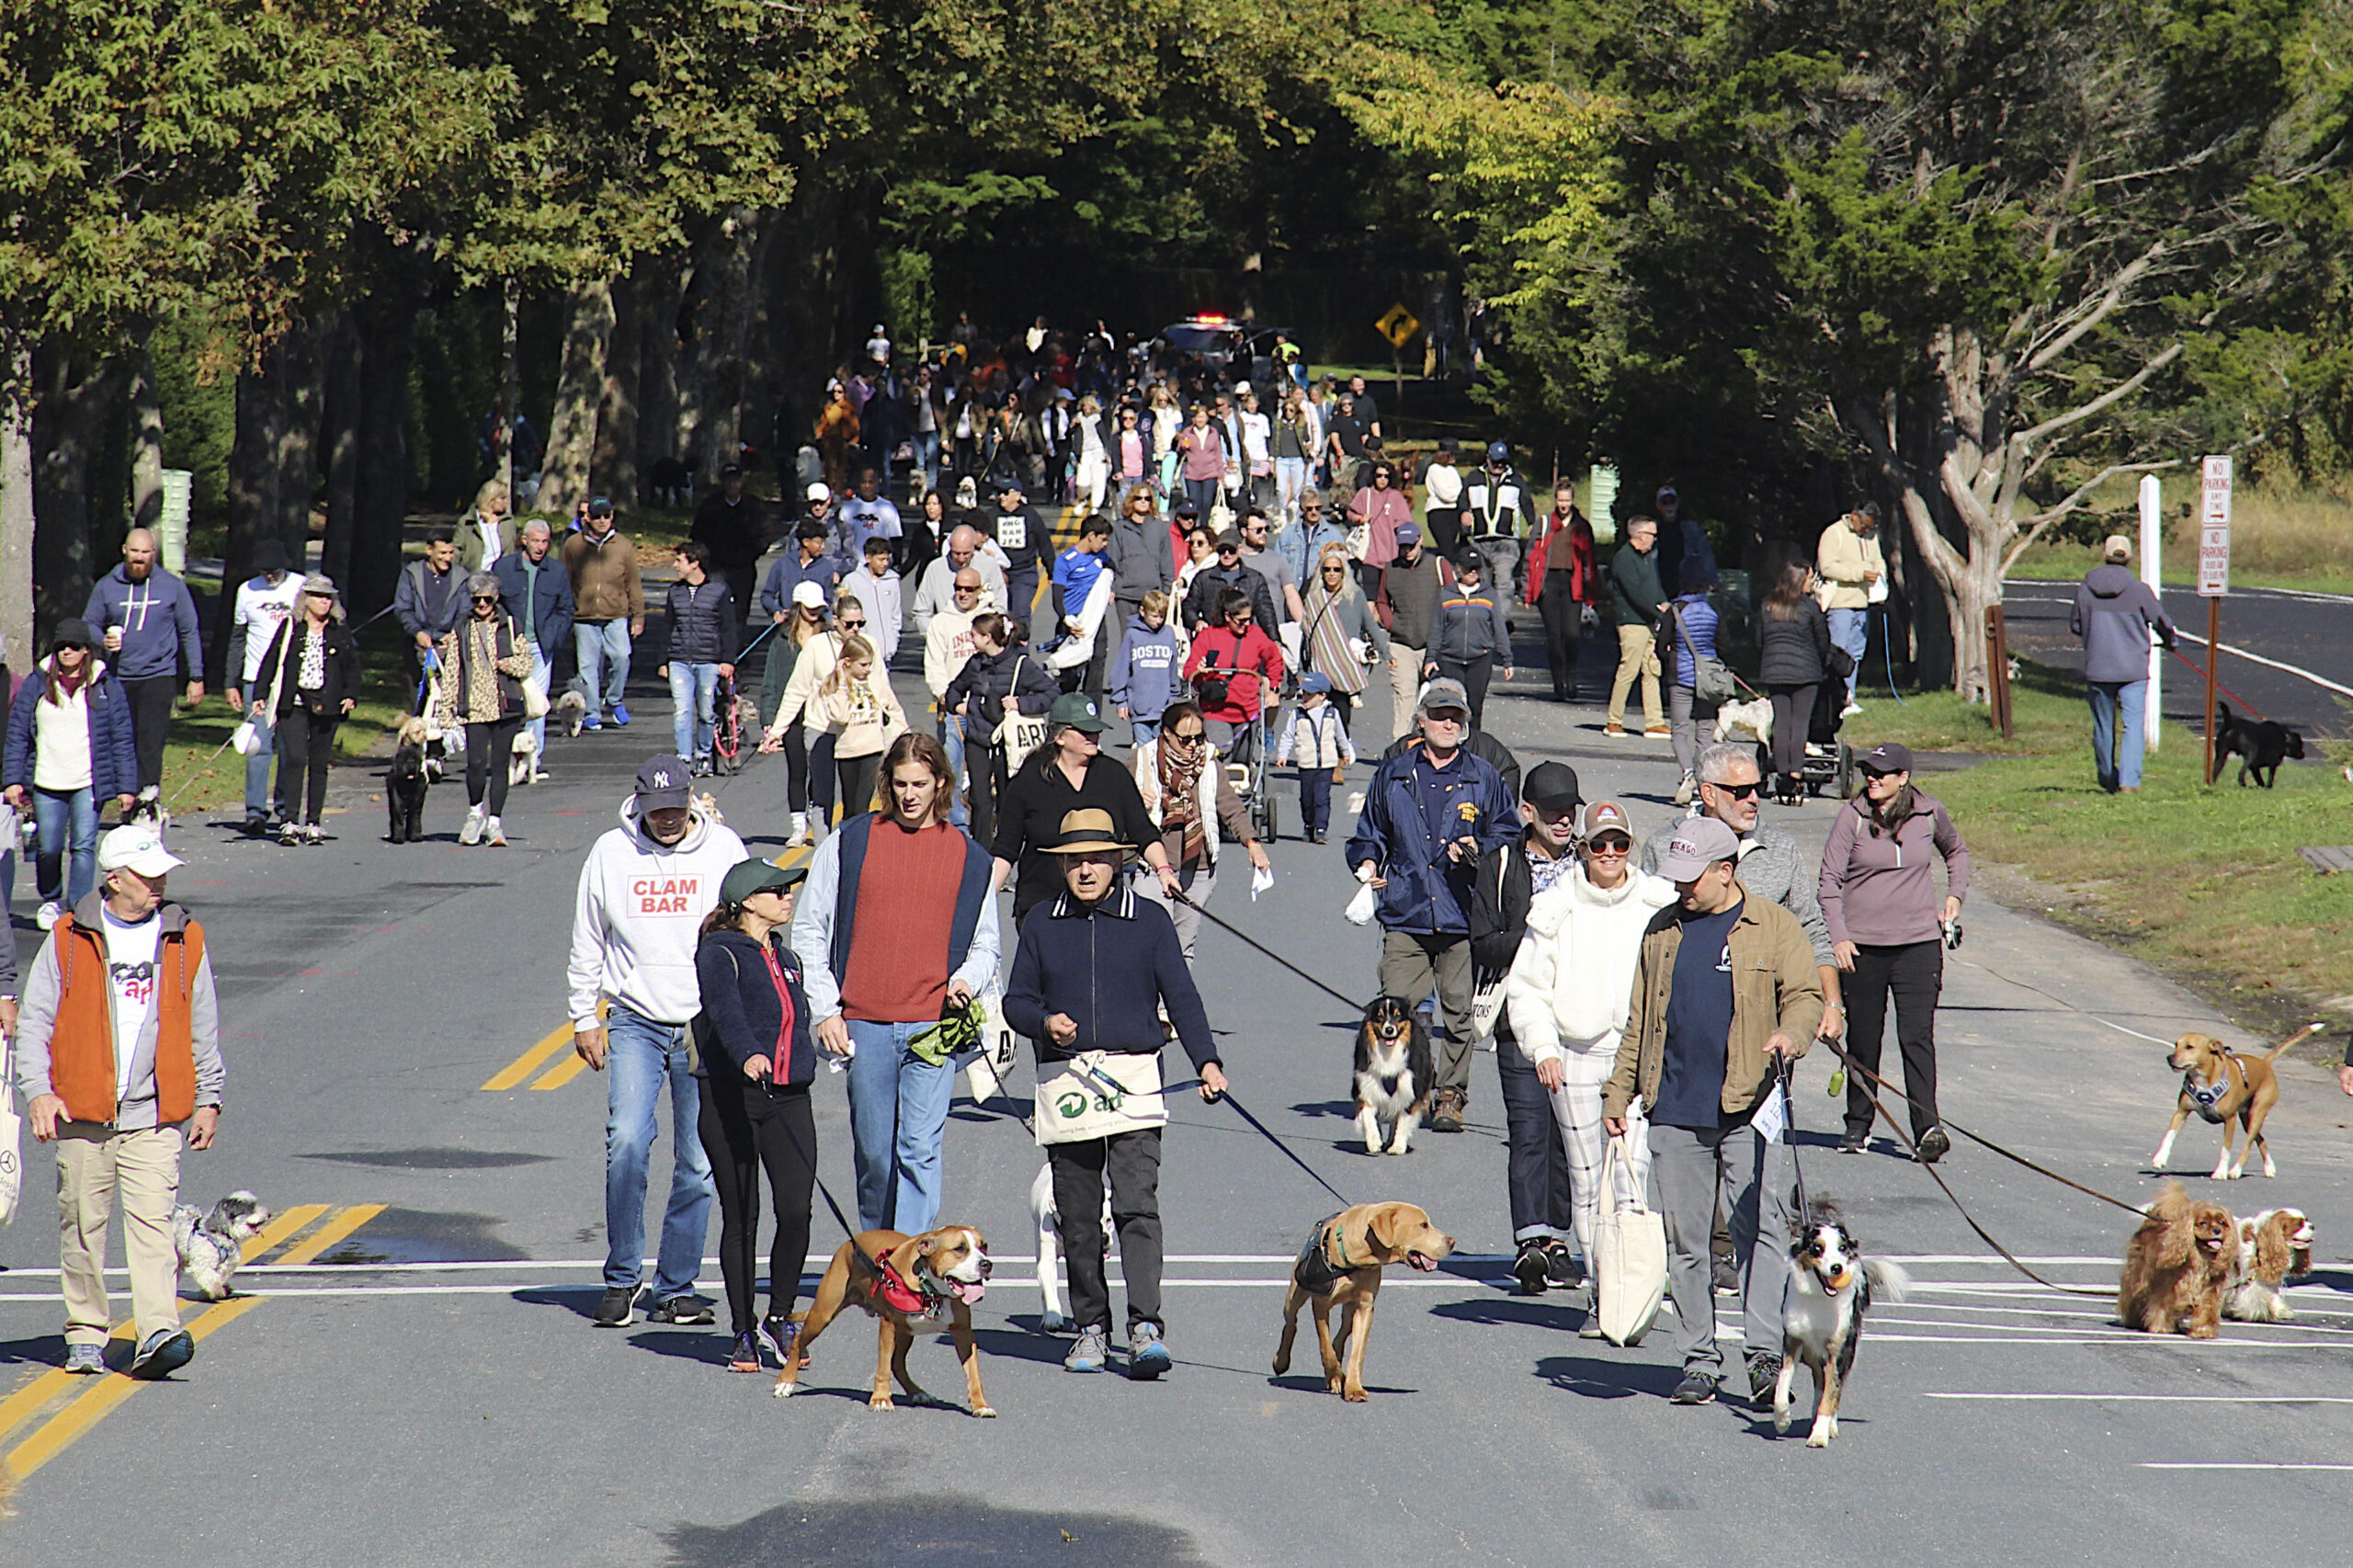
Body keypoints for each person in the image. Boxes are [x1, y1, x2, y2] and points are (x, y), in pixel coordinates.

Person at [1604, 815, 1822, 1408]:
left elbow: (1805, 997)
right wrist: (1617, 1093)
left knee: (1761, 1232)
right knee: (1686, 1241)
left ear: (1726, 871)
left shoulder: (1775, 927)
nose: (1681, 889)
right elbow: (1639, 1022)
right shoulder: (1661, 931)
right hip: (1674, 1107)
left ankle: (1761, 1356)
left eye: (1691, 878)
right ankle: (1698, 1357)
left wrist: (1790, 1035)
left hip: (1748, 1108)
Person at [1002, 807, 1227, 1378]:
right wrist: (1045, 1021)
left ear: (1118, 863)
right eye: (1075, 861)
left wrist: (1208, 1061)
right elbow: (1016, 1002)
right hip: (1065, 1082)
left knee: (1135, 1203)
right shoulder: (1040, 924)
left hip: (1133, 1079)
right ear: (1063, 866)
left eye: (1096, 860)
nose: (1085, 871)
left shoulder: (1150, 921)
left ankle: (1145, 1325)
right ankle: (1090, 1329)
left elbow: (1182, 996)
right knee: (1077, 1215)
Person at [16, 823, 222, 1379]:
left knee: (154, 1224)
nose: (158, 884)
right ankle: (86, 1332)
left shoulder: (184, 937)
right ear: (114, 879)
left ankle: (158, 1330)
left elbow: (204, 1025)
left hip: (155, 1114)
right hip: (82, 1114)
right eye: (146, 874)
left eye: (161, 874)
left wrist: (209, 1099)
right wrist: (37, 1091)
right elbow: (34, 1022)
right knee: (82, 1226)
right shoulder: (66, 937)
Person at [791, 733, 999, 1234]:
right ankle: (880, 1253)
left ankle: (909, 1269)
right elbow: (808, 927)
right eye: (900, 784)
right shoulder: (851, 840)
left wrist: (966, 981)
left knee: (920, 1151)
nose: (908, 795)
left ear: (941, 785)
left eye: (920, 785)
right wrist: (825, 1010)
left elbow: (987, 944)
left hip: (934, 1029)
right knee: (876, 1155)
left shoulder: (969, 857)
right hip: (865, 1025)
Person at [567, 755, 747, 1329]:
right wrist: (582, 1017)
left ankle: (675, 1285)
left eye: (675, 808)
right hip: (636, 1018)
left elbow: (751, 927)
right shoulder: (611, 853)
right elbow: (587, 937)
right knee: (626, 1142)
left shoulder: (723, 849)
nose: (666, 819)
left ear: (691, 801)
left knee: (697, 1160)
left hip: (704, 1022)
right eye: (655, 810)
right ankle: (623, 1277)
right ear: (638, 803)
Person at [1503, 797, 1677, 1303]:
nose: (1609, 853)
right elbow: (1528, 986)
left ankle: (1632, 1287)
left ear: (1631, 847)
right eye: (1599, 844)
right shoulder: (1557, 903)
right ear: (1582, 848)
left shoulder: (1659, 903)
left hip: (1638, 1057)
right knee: (1585, 1182)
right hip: (1575, 1055)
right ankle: (1603, 1293)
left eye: (1619, 844)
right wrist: (1543, 1048)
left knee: (1632, 1177)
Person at [1347, 679, 1517, 1133]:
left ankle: (1450, 1095)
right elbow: (1371, 831)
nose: (1447, 723)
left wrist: (1477, 847)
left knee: (1459, 1013)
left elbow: (1509, 832)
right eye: (1439, 715)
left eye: (1455, 716)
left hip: (1463, 915)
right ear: (1420, 721)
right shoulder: (1395, 772)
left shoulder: (1483, 776)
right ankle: (1402, 1087)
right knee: (1399, 1008)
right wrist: (1365, 861)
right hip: (1407, 910)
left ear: (1465, 723)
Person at [694, 856, 819, 1374]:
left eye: (789, 889)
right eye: (778, 890)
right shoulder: (720, 953)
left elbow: (796, 1019)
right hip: (731, 1097)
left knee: (796, 1210)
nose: (788, 897)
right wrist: (747, 1053)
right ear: (748, 901)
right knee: (742, 1215)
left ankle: (780, 1315)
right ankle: (743, 1329)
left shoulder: (787, 958)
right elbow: (724, 1011)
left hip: (788, 1096)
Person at [1818, 742, 1970, 1163]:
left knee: (1916, 1037)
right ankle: (1857, 1125)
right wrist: (1839, 936)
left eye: (1881, 772)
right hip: (1862, 947)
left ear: (1903, 777)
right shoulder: (1852, 816)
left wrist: (1955, 897)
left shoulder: (1929, 812)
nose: (1872, 777)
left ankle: (1927, 1128)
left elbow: (1956, 852)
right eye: (1868, 770)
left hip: (1919, 945)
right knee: (1864, 1040)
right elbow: (1829, 881)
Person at [1468, 763, 1587, 1292]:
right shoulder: (1500, 862)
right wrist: (1540, 937)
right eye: (1554, 810)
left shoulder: (1592, 863)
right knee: (1530, 1131)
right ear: (1527, 812)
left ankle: (1559, 1239)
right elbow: (1483, 942)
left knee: (1570, 1136)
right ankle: (1530, 1241)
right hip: (1521, 1018)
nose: (1565, 819)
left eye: (1571, 809)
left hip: (1581, 1023)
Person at [991, 692, 1178, 921]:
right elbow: (1006, 848)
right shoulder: (1029, 780)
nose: (1093, 736)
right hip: (1043, 906)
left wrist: (1164, 870)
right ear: (1059, 737)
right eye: (1083, 731)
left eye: (1095, 730)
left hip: (1104, 908)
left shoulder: (1114, 775)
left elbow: (1143, 831)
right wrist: (988, 897)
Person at [5, 621, 137, 927]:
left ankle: (78, 907)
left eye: (74, 646)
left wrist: (126, 787)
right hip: (47, 780)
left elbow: (121, 737)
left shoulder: (106, 686)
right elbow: (18, 734)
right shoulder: (37, 684)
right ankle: (51, 899)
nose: (67, 651)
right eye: (61, 645)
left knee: (83, 845)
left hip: (88, 782)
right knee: (49, 847)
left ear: (86, 651)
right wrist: (13, 780)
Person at [1133, 700, 1270, 960]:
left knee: (1183, 948)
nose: (1193, 745)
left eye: (1199, 738)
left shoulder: (1209, 764)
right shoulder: (1143, 760)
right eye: (1185, 739)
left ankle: (1174, 1002)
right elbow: (1114, 802)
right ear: (1166, 734)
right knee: (1152, 942)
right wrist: (1135, 798)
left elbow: (1231, 807)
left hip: (1197, 868)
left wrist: (1253, 844)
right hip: (1152, 866)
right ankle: (1149, 1000)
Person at [84, 528, 205, 820]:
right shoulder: (106, 586)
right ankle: (123, 802)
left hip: (158, 676)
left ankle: (146, 805)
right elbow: (89, 624)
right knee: (120, 742)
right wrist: (102, 641)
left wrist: (196, 676)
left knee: (150, 744)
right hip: (119, 677)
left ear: (154, 554)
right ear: (125, 550)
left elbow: (189, 631)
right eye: (135, 552)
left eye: (146, 553)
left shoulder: (171, 586)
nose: (140, 559)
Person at [248, 574, 360, 846]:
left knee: (319, 763)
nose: (324, 602)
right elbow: (271, 660)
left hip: (328, 704)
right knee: (295, 759)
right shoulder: (291, 627)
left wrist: (350, 695)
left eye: (328, 597)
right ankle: (289, 820)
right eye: (318, 596)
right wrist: (260, 694)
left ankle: (314, 822)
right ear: (305, 599)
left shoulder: (338, 630)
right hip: (294, 704)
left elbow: (352, 667)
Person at [430, 573, 537, 846]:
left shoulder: (510, 626)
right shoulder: (462, 629)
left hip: (505, 705)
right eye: (476, 600)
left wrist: (507, 665)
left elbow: (526, 662)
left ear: (496, 598)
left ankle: (495, 822)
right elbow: (452, 670)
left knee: (500, 764)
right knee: (476, 763)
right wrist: (447, 710)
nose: (481, 605)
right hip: (473, 705)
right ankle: (475, 813)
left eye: (486, 600)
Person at [941, 612, 1060, 848]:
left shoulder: (1020, 665)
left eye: (974, 635)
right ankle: (981, 851)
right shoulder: (975, 664)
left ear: (988, 638)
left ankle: (1007, 849)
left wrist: (1021, 704)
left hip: (1007, 742)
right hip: (977, 739)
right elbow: (954, 689)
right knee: (980, 800)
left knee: (1008, 798)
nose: (970, 639)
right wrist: (959, 706)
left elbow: (1052, 693)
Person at [759, 591, 873, 835]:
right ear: (836, 620)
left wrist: (900, 731)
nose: (855, 629)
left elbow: (882, 693)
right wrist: (776, 730)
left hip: (857, 733)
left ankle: (851, 848)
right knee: (822, 796)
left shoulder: (868, 646)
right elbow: (795, 691)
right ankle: (821, 849)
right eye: (849, 624)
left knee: (855, 803)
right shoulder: (817, 647)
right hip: (821, 729)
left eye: (860, 624)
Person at [2071, 533, 2177, 795]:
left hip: (2098, 667)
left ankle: (2107, 776)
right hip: (2132, 669)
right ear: (2128, 558)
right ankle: (2129, 781)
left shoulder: (2085, 589)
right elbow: (2162, 621)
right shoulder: (2139, 590)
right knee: (2132, 725)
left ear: (2104, 555)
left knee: (2103, 725)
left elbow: (2075, 624)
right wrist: (2170, 640)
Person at [223, 539, 304, 833]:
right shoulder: (247, 590)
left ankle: (285, 807)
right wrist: (231, 682)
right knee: (258, 746)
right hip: (255, 679)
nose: (269, 576)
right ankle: (256, 811)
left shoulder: (301, 587)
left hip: (290, 680)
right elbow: (237, 639)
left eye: (275, 570)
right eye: (264, 571)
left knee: (289, 745)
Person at [493, 517, 576, 774]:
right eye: (536, 541)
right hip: (510, 646)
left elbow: (566, 608)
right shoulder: (504, 568)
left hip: (541, 645)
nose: (540, 547)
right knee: (508, 701)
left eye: (545, 542)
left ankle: (533, 758)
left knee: (537, 702)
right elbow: (492, 603)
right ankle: (505, 755)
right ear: (524, 541)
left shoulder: (557, 571)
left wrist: (554, 635)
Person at [1755, 559, 1836, 806]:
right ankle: (1795, 774)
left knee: (1782, 722)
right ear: (1801, 580)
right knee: (1800, 723)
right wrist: (1823, 663)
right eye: (1810, 578)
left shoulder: (1767, 605)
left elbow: (1759, 640)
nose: (1812, 583)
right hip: (1806, 672)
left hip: (1774, 670)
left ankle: (1782, 775)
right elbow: (1823, 642)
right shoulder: (1810, 607)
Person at [563, 498, 645, 731]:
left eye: (606, 516)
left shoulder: (623, 546)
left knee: (621, 657)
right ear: (587, 517)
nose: (602, 521)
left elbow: (634, 584)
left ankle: (614, 699)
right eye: (597, 516)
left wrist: (638, 616)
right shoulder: (573, 545)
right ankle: (592, 711)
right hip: (584, 616)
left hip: (616, 614)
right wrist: (566, 612)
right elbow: (565, 580)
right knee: (587, 667)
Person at [1181, 587, 1284, 767]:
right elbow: (1189, 670)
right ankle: (1219, 793)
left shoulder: (1256, 635)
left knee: (1241, 763)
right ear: (1228, 616)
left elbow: (1274, 660)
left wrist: (1274, 689)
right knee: (1221, 760)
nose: (1246, 624)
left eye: (1249, 619)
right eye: (1242, 620)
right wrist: (1198, 670)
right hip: (1216, 711)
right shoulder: (1209, 636)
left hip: (1247, 711)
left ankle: (1241, 793)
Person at [659, 541, 737, 774]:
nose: (675, 566)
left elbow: (728, 628)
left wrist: (727, 660)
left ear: (695, 564)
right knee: (681, 710)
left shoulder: (719, 590)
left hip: (708, 660)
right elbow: (667, 627)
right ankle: (684, 757)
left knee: (705, 710)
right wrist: (663, 660)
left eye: (680, 561)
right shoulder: (675, 592)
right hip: (680, 659)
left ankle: (704, 754)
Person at [810, 635, 909, 817]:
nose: (868, 669)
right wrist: (842, 683)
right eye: (863, 665)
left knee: (862, 805)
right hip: (848, 750)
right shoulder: (833, 684)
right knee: (850, 806)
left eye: (870, 664)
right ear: (847, 662)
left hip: (873, 748)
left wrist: (906, 737)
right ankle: (848, 841)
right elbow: (840, 716)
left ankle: (861, 841)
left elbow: (894, 709)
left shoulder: (875, 681)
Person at [1298, 544, 1389, 737]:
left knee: (1341, 713)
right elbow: (1306, 636)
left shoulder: (1355, 595)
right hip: (1319, 665)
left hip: (1344, 666)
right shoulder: (1314, 599)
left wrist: (1386, 653)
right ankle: (1319, 757)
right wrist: (1300, 669)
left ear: (1343, 572)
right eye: (1327, 569)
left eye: (1336, 569)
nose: (1332, 574)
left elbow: (1371, 625)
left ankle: (1340, 755)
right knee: (1316, 713)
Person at [1425, 550, 1514, 729]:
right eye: (1468, 569)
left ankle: (1473, 747)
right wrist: (1430, 658)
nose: (1472, 572)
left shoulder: (1489, 594)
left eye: (1476, 568)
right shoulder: (1447, 594)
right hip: (1451, 659)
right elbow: (1437, 628)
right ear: (1458, 569)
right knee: (1453, 706)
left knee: (1475, 706)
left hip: (1479, 659)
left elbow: (1498, 627)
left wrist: (1507, 659)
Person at [1525, 483, 1596, 703]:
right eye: (1560, 500)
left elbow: (1589, 562)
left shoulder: (1582, 526)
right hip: (1549, 584)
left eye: (1567, 500)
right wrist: (1527, 591)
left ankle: (1571, 675)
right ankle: (1559, 684)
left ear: (1572, 500)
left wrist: (1591, 595)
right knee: (1554, 637)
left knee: (1572, 635)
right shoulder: (1545, 524)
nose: (1563, 505)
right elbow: (1531, 557)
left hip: (1572, 584)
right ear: (1555, 500)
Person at [1374, 522, 1445, 744]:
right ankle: (1401, 749)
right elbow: (1382, 601)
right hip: (1401, 644)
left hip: (1433, 645)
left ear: (1420, 541)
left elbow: (1453, 599)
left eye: (1411, 546)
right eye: (1402, 546)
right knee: (1404, 698)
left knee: (1436, 700)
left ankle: (1437, 747)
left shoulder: (1438, 565)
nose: (1407, 551)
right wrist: (1392, 624)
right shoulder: (1390, 568)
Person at [1816, 505, 1885, 716]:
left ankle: (1849, 697)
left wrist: (1880, 572)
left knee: (1856, 653)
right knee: (1839, 654)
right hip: (1840, 604)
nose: (1866, 531)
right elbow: (1827, 566)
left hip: (1862, 603)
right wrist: (1860, 574)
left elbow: (1878, 560)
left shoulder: (1871, 536)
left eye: (1871, 527)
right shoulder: (1833, 533)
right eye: (1864, 526)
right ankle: (1834, 699)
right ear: (1854, 516)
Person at [1605, 515, 1668, 739]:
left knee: (1652, 670)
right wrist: (1657, 610)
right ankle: (1614, 720)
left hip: (1648, 621)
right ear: (1640, 535)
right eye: (1652, 535)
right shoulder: (1624, 559)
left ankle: (1654, 722)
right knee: (1628, 670)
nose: (1654, 539)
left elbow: (1654, 587)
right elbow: (1636, 593)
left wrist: (1665, 605)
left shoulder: (1647, 557)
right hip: (1631, 622)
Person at [1275, 672, 1353, 843]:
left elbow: (1341, 734)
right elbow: (1288, 735)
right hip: (1307, 763)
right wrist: (1283, 755)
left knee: (1322, 797)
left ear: (1322, 696)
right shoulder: (1297, 714)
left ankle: (1321, 829)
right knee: (1307, 799)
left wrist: (1346, 752)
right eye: (1304, 694)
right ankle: (1309, 824)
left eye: (1309, 695)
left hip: (1327, 764)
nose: (1305, 697)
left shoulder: (1332, 713)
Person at [1665, 567, 1721, 801]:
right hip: (1708, 679)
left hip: (1681, 677)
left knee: (1679, 729)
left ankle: (1688, 772)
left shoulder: (1676, 610)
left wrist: (1670, 660)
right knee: (1705, 731)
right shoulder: (1713, 610)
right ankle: (1703, 780)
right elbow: (1724, 643)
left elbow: (1661, 645)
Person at [689, 464, 767, 629]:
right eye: (729, 481)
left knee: (740, 611)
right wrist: (706, 558)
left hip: (744, 567)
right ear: (723, 482)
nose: (733, 484)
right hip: (717, 567)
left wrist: (753, 552)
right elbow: (698, 535)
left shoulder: (753, 505)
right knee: (715, 608)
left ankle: (737, 649)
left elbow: (765, 533)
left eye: (736, 481)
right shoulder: (711, 506)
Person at [394, 528, 466, 702]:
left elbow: (465, 611)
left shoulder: (461, 577)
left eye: (451, 553)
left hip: (448, 646)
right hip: (417, 643)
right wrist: (417, 632)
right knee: (419, 701)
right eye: (442, 553)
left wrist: (454, 633)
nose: (447, 558)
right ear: (429, 550)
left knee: (446, 701)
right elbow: (403, 608)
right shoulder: (412, 574)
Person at [1461, 442, 1533, 602]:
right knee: (1482, 584)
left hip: (1506, 541)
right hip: (1480, 541)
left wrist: (1531, 522)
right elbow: (1462, 500)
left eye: (1503, 462)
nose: (1499, 465)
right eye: (1496, 461)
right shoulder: (1474, 477)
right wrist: (1464, 512)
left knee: (1504, 583)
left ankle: (1501, 622)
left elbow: (1526, 502)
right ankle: (1484, 620)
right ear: (1487, 459)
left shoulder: (1516, 479)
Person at [1109, 589, 1181, 745]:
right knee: (1145, 751)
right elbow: (1121, 669)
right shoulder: (1132, 635)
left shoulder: (1168, 634)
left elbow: (1173, 666)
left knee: (1162, 750)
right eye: (1155, 616)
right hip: (1139, 708)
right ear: (1143, 611)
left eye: (1162, 616)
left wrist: (1174, 695)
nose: (1159, 621)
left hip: (1163, 708)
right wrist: (1121, 701)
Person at [909, 523, 1007, 631]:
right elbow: (922, 611)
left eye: (966, 554)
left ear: (974, 547)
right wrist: (935, 634)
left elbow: (1000, 605)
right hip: (946, 634)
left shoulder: (989, 565)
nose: (961, 559)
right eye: (956, 553)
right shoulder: (935, 568)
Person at [1180, 530, 1278, 635]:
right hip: (1213, 637)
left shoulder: (1255, 578)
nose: (1227, 555)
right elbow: (1188, 607)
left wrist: (1275, 639)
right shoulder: (1203, 578)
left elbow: (1266, 613)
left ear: (1239, 550)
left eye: (1231, 550)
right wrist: (1196, 622)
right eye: (1222, 550)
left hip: (1244, 638)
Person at [1346, 460, 1410, 602]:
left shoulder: (1396, 497)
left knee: (1388, 595)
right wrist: (1359, 518)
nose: (1382, 479)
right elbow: (1350, 513)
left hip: (1391, 553)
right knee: (1370, 593)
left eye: (1386, 476)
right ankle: (1372, 623)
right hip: (1369, 552)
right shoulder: (1365, 494)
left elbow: (1406, 522)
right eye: (1379, 475)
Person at [987, 480, 1047, 630]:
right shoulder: (991, 515)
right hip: (998, 573)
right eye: (999, 493)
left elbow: (1044, 543)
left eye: (1006, 493)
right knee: (998, 616)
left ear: (1018, 495)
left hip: (1024, 572)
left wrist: (1052, 572)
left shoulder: (1030, 516)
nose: (1001, 496)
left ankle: (1021, 650)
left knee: (1020, 614)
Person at [838, 536, 905, 667]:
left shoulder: (892, 581)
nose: (885, 563)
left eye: (887, 559)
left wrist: (894, 640)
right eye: (881, 560)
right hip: (861, 653)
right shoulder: (852, 580)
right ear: (868, 558)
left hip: (886, 654)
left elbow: (895, 615)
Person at [837, 465, 904, 569]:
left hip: (881, 566)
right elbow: (840, 540)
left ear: (877, 483)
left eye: (871, 482)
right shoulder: (848, 508)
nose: (867, 486)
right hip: (855, 566)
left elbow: (896, 539)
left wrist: (896, 565)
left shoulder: (888, 508)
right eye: (863, 482)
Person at [1175, 402, 1226, 520]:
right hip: (1192, 473)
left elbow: (1218, 453)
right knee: (1195, 503)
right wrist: (1182, 446)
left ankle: (1204, 527)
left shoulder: (1213, 432)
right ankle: (1194, 528)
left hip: (1210, 472)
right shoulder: (1188, 432)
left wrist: (1220, 472)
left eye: (1202, 417)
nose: (1200, 420)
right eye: (1198, 417)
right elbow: (1179, 451)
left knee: (1207, 502)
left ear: (1207, 418)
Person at [457, 479, 517, 573]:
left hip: (501, 576)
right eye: (502, 498)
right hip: (473, 575)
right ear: (490, 499)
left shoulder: (508, 521)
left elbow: (512, 551)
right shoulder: (467, 522)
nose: (506, 502)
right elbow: (457, 551)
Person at [1421, 439, 1464, 556]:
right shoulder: (1434, 469)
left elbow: (1459, 488)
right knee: (1446, 548)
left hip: (1454, 512)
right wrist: (1459, 494)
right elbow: (1445, 494)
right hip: (1439, 512)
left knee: (1451, 545)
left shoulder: (1452, 470)